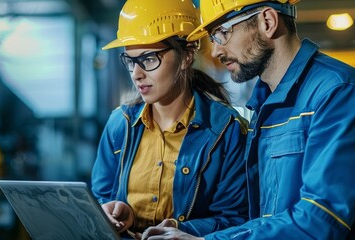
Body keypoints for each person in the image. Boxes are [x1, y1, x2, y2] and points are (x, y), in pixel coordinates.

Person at [141, 0, 355, 239]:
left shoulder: (338, 93)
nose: (216, 51)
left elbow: (321, 218)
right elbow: (260, 219)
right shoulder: (264, 105)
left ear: (267, 22)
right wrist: (184, 231)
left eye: (222, 33)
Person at [91, 0, 250, 238]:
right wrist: (116, 212)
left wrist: (180, 230)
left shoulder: (226, 131)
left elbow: (236, 219)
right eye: (130, 61)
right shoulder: (120, 124)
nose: (137, 74)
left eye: (149, 59)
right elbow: (101, 196)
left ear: (186, 56)